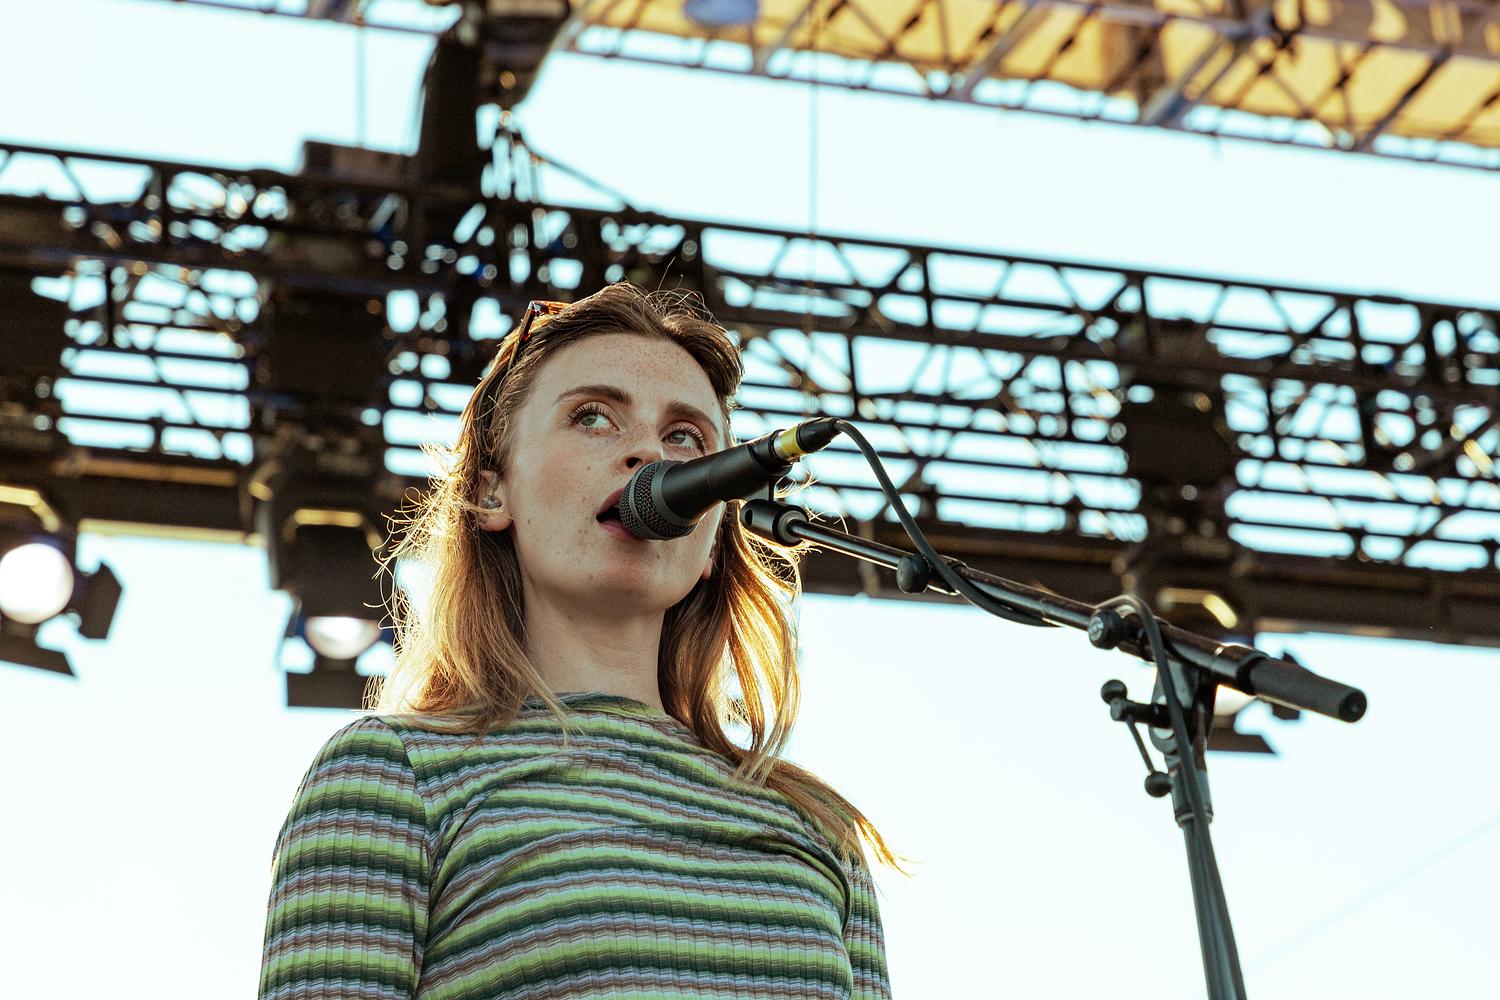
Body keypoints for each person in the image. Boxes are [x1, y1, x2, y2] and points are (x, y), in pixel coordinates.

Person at [258, 282, 907, 999]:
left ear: (714, 535)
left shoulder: (817, 828)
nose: (648, 453)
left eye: (685, 437)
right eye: (592, 416)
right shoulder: (391, 777)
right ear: (492, 493)